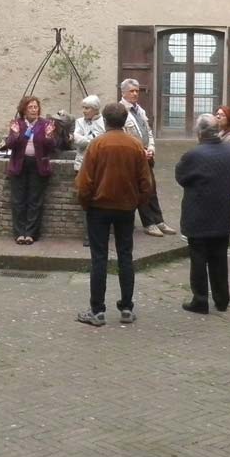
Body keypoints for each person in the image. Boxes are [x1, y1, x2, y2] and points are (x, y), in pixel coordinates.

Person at [73, 102, 152, 326]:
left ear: (105, 121)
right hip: (125, 208)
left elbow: (85, 181)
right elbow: (146, 182)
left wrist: (86, 203)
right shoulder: (135, 145)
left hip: (99, 208)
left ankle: (97, 311)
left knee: (99, 258)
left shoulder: (97, 144)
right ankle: (127, 308)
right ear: (124, 120)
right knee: (125, 256)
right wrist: (137, 202)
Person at [176, 114, 230, 314]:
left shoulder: (193, 155)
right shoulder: (229, 151)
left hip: (199, 214)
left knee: (199, 258)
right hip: (223, 214)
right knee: (220, 258)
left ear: (200, 133)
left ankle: (200, 300)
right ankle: (222, 299)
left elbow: (181, 177)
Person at [118, 79, 176, 237]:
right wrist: (139, 151)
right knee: (142, 190)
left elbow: (148, 132)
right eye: (132, 91)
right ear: (123, 92)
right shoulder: (120, 111)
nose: (136, 93)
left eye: (137, 90)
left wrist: (151, 148)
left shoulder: (139, 110)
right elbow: (123, 137)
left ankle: (159, 221)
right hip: (132, 159)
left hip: (146, 156)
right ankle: (149, 223)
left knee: (152, 188)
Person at [4, 95, 58, 245]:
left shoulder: (45, 124)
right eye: (31, 107)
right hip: (19, 165)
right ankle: (19, 233)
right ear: (24, 109)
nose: (34, 110)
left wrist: (48, 136)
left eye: (36, 107)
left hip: (38, 164)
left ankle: (31, 234)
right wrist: (15, 134)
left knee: (35, 200)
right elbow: (10, 145)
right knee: (18, 200)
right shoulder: (18, 124)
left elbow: (52, 146)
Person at [72, 94, 106, 247]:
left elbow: (101, 141)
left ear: (95, 109)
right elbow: (77, 141)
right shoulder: (79, 122)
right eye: (83, 108)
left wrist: (86, 139)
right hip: (81, 165)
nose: (84, 111)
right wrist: (91, 138)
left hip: (100, 166)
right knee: (84, 200)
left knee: (100, 201)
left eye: (87, 108)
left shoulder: (104, 122)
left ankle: (99, 234)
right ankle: (88, 234)